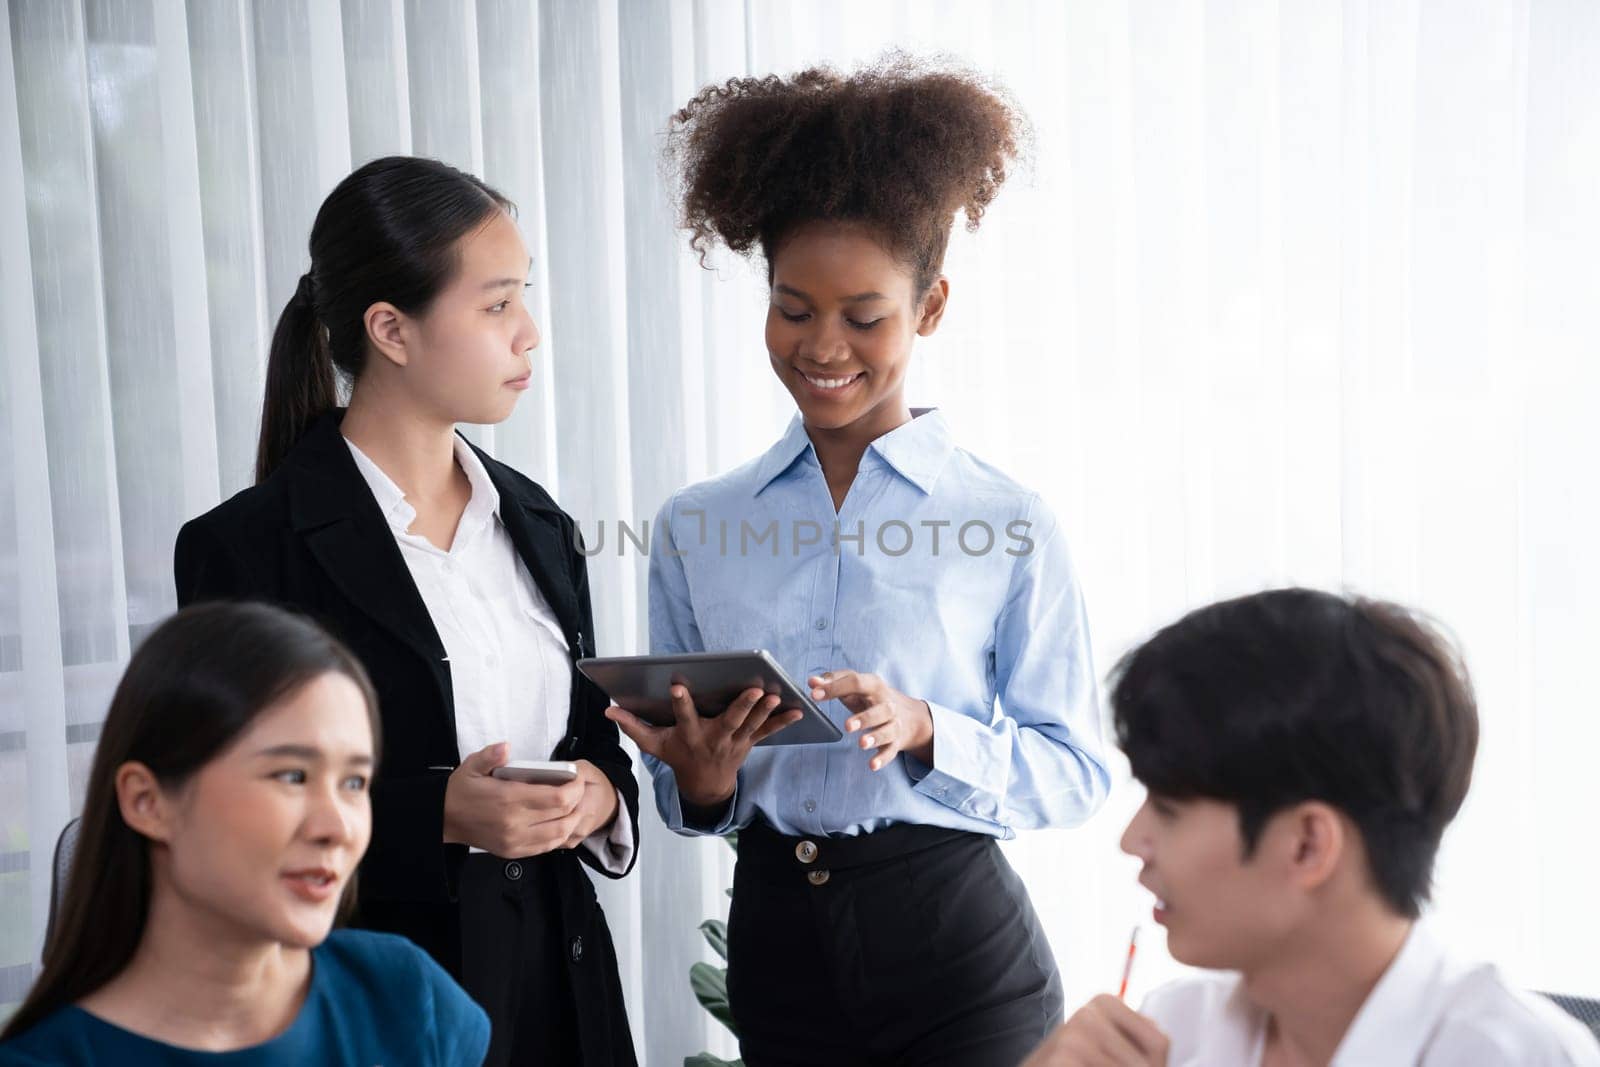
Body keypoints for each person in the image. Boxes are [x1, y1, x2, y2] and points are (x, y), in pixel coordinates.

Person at [607, 57, 1110, 1066]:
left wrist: (929, 727)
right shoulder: (698, 523)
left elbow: (1077, 771)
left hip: (956, 952)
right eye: (793, 308)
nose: (821, 345)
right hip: (777, 943)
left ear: (928, 308)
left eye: (863, 314)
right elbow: (685, 799)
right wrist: (702, 781)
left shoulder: (1006, 520)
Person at [173, 156, 637, 1066]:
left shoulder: (539, 522)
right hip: (381, 1008)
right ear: (391, 328)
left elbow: (593, 742)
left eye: (523, 299)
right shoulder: (247, 546)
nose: (530, 333)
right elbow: (228, 813)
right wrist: (439, 814)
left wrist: (599, 795)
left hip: (565, 1002)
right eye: (497, 304)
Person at [1023, 588, 1600, 1067]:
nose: (1131, 842)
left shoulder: (1521, 1056)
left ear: (1307, 845)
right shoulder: (1168, 1032)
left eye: (1169, 810)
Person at [0, 602, 489, 1065]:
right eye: (292, 776)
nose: (339, 827)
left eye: (354, 783)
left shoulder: (404, 998)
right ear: (147, 802)